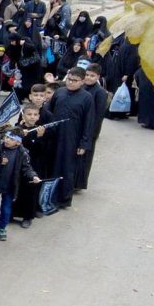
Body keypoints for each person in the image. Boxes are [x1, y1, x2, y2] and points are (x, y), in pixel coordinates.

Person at [47, 67, 94, 207]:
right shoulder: (59, 92)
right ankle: (48, 196)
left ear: (82, 81)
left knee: (67, 168)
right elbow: (50, 111)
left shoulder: (87, 98)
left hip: (72, 138)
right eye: (69, 79)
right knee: (51, 165)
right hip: (54, 135)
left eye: (75, 80)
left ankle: (64, 199)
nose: (71, 82)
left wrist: (84, 143)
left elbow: (89, 122)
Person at [0, 128, 40, 241]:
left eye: (11, 139)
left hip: (9, 186)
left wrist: (34, 176)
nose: (7, 140)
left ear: (18, 142)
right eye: (7, 137)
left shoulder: (22, 153)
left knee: (6, 210)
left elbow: (27, 168)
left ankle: (2, 229)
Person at [79, 63, 109, 189]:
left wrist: (91, 133)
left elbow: (98, 115)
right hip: (79, 126)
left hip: (90, 130)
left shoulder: (100, 92)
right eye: (87, 75)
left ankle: (81, 182)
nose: (88, 78)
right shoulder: (82, 87)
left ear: (98, 77)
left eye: (92, 76)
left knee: (86, 157)